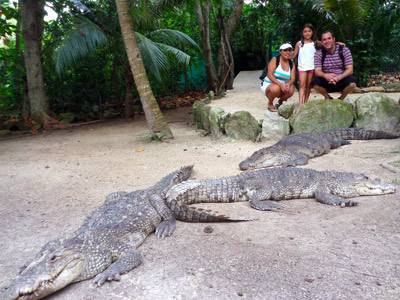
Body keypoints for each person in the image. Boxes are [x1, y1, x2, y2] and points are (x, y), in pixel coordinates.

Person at [312, 31, 356, 100]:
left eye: (329, 38)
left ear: (334, 39)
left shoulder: (344, 50)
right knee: (314, 82)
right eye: (324, 39)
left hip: (341, 79)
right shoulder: (319, 53)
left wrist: (338, 78)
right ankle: (327, 98)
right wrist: (325, 75)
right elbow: (317, 71)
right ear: (321, 42)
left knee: (352, 82)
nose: (327, 41)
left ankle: (341, 98)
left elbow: (350, 70)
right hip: (327, 81)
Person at [260, 43, 296, 112]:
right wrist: (280, 84)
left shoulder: (291, 63)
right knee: (275, 88)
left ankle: (280, 102)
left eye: (290, 50)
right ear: (280, 51)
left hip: (282, 85)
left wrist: (288, 83)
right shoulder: (275, 59)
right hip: (268, 84)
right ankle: (270, 103)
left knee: (291, 89)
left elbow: (293, 78)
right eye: (285, 50)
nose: (288, 52)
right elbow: (270, 75)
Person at [293, 24, 317, 104]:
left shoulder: (315, 43)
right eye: (305, 31)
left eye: (309, 31)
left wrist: (338, 43)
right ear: (302, 33)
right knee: (302, 85)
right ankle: (301, 103)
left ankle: (305, 103)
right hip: (302, 68)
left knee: (308, 85)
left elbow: (326, 45)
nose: (307, 33)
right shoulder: (299, 43)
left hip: (311, 68)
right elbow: (294, 55)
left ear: (312, 32)